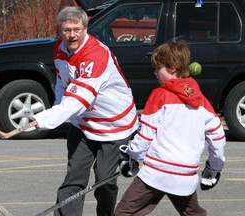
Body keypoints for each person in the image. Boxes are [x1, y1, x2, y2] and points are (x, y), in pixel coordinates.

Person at [32, 6, 139, 216]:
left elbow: (80, 99)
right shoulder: (59, 49)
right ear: (59, 30)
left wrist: (45, 119)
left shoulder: (96, 55)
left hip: (113, 126)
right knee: (73, 180)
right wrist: (57, 107)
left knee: (104, 182)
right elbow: (64, 83)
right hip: (83, 123)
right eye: (67, 30)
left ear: (86, 28)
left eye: (77, 29)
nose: (72, 35)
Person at [114, 41, 226, 216]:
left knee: (123, 213)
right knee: (193, 214)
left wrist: (131, 155)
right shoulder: (202, 101)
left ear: (172, 69)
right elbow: (218, 137)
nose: (155, 73)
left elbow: (145, 136)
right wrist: (214, 167)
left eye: (159, 68)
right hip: (185, 175)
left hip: (156, 173)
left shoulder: (159, 95)